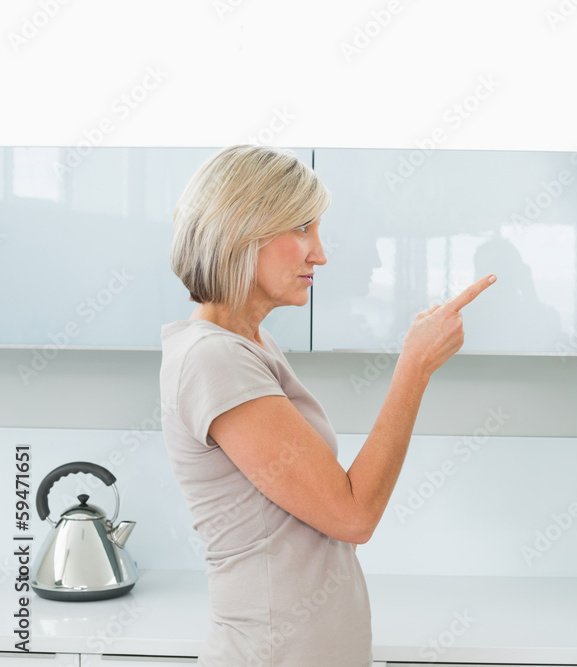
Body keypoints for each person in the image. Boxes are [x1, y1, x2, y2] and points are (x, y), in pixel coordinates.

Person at [159, 145, 494, 665]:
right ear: (240, 231)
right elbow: (353, 515)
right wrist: (415, 366)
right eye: (301, 228)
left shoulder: (251, 344)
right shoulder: (213, 358)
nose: (320, 252)